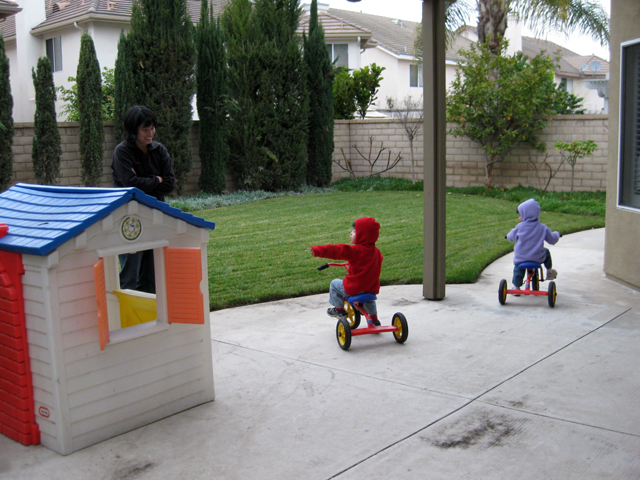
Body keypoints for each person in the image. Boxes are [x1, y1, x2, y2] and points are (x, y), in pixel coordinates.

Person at [111, 105, 175, 294]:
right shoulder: (121, 153)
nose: (150, 133)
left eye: (152, 128)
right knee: (130, 273)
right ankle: (123, 317)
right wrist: (156, 179)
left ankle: (149, 317)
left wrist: (144, 182)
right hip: (129, 219)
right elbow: (130, 185)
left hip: (156, 216)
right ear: (133, 130)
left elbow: (170, 184)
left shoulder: (160, 151)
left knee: (152, 273)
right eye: (145, 129)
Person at [310, 217, 383, 326]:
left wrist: (317, 250)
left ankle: (338, 310)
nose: (351, 233)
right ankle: (374, 319)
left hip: (354, 288)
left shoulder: (355, 251)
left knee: (334, 284)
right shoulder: (376, 252)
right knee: (369, 299)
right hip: (371, 289)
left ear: (363, 235)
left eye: (354, 231)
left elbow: (337, 250)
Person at [506, 198, 560, 289]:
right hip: (537, 258)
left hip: (521, 258)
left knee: (518, 269)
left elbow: (511, 237)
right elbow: (552, 240)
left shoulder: (520, 227)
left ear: (526, 215)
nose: (519, 218)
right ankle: (549, 271)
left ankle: (516, 286)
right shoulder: (542, 228)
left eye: (520, 216)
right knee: (546, 252)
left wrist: (508, 235)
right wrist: (557, 234)